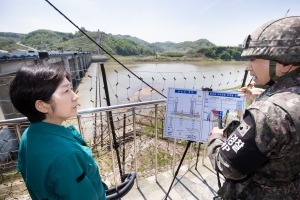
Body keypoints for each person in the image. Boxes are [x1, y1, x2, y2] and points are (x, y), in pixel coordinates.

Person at [207, 16, 300, 199]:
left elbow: (227, 165)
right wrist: (263, 96)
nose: (248, 67)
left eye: (254, 59)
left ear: (285, 64)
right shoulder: (287, 99)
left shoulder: (268, 112)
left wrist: (215, 138)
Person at [9, 64, 107, 200]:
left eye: (71, 89)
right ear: (42, 105)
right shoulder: (66, 154)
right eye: (66, 91)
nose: (75, 96)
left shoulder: (28, 136)